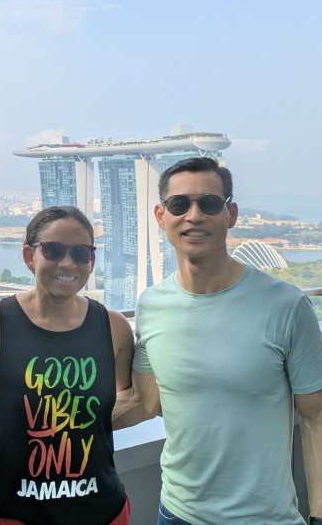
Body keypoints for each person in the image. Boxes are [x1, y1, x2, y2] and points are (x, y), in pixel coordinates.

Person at [129, 157, 322, 525]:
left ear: (230, 214)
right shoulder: (151, 305)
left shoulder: (286, 305)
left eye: (210, 203)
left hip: (264, 518)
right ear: (160, 215)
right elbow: (147, 401)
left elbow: (316, 417)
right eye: (179, 204)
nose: (194, 215)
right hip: (175, 514)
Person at [0, 206, 135, 524]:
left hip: (99, 509)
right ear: (29, 255)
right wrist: (13, 402)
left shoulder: (113, 328)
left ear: (92, 260)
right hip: (12, 511)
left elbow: (128, 397)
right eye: (54, 250)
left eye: (80, 253)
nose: (67, 263)